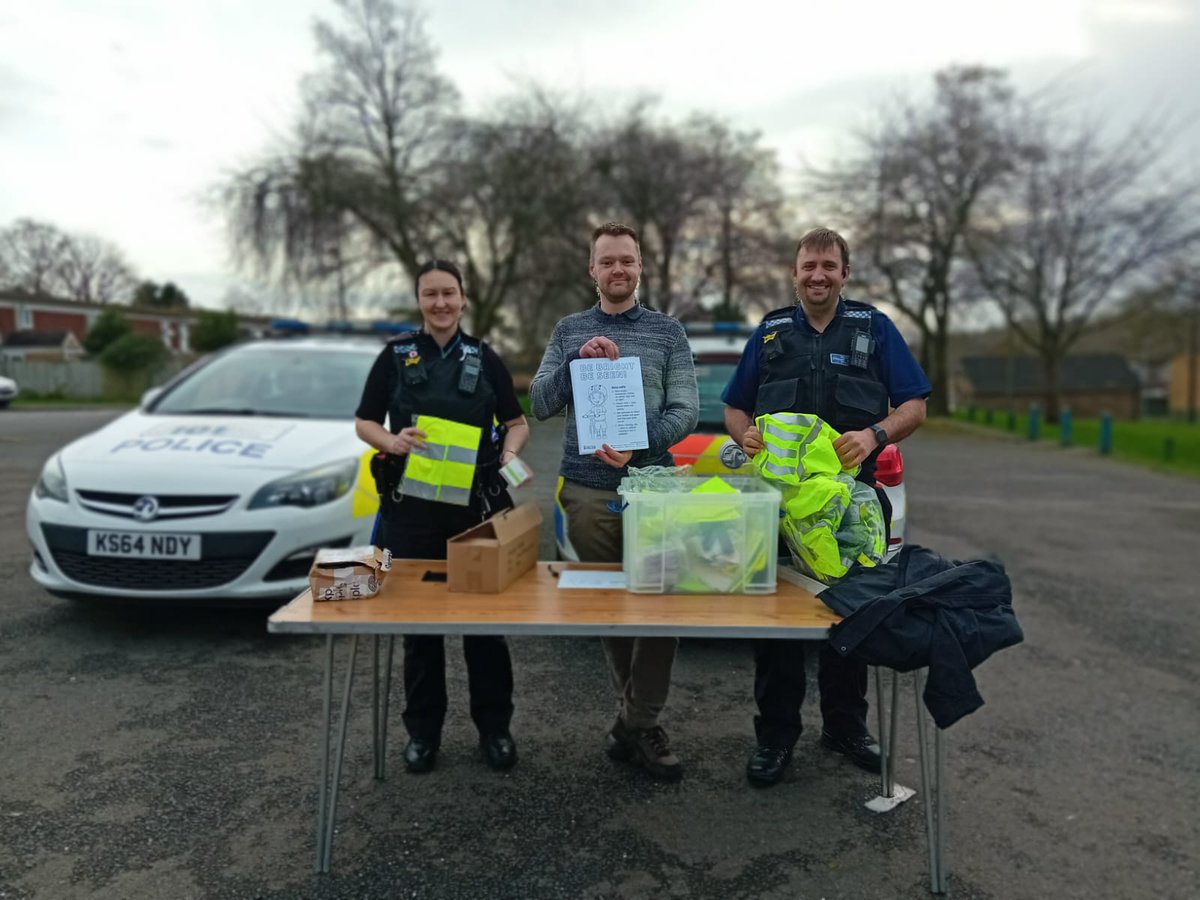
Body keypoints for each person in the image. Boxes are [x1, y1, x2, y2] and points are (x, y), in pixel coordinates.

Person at [722, 227, 931, 787]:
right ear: (794, 273)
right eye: (808, 266)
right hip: (778, 511)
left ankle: (845, 727)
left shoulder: (875, 329)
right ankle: (775, 737)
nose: (818, 275)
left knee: (853, 616)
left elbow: (914, 404)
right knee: (776, 627)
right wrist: (744, 437)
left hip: (850, 508)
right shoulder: (768, 333)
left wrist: (875, 435)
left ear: (845, 273)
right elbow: (735, 408)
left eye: (828, 266)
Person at [530, 222, 698, 781]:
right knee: (612, 609)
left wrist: (638, 445)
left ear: (641, 266)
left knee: (662, 608)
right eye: (608, 261)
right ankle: (641, 723)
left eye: (627, 260)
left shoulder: (668, 332)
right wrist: (578, 360)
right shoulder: (569, 330)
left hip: (653, 488)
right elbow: (539, 403)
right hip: (585, 490)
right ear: (592, 270)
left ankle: (637, 722)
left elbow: (685, 411)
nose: (618, 269)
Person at [355, 259, 530, 774]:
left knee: (485, 628)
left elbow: (516, 422)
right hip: (413, 514)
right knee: (420, 630)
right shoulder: (393, 357)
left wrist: (510, 453)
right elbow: (365, 421)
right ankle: (423, 734)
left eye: (449, 293)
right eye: (430, 294)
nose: (440, 303)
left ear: (463, 298)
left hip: (477, 512)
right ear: (419, 300)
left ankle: (495, 730)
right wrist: (392, 440)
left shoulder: (485, 356)